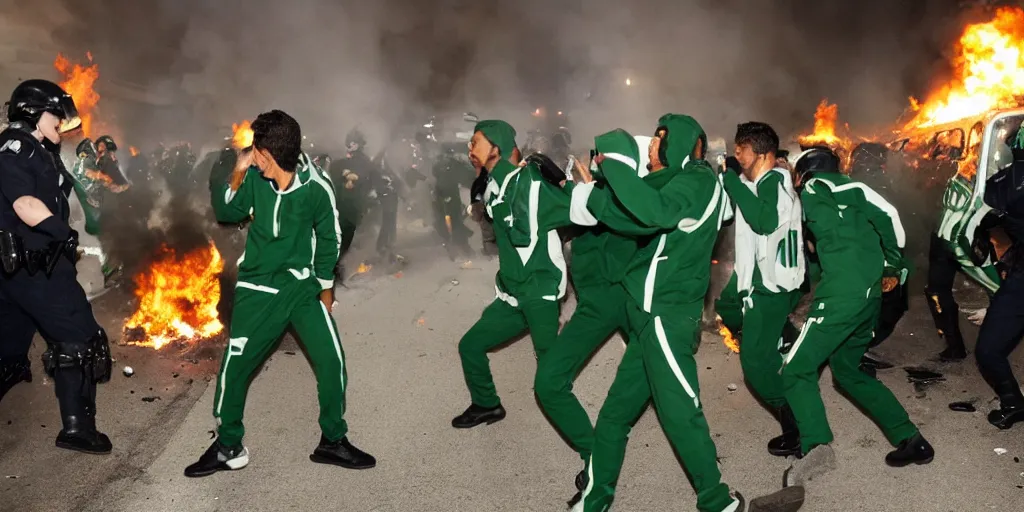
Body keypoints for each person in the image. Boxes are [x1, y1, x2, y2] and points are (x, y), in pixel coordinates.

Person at [567, 117, 802, 512]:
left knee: (680, 413)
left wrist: (611, 162)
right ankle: (593, 502)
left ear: (683, 143)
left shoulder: (698, 180)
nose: (652, 146)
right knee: (613, 417)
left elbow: (652, 211)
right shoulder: (680, 183)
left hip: (666, 316)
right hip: (647, 316)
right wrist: (592, 192)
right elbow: (631, 215)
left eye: (660, 138)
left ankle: (717, 502)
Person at [186, 110, 375, 477]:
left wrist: (325, 288)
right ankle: (228, 446)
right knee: (235, 368)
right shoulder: (254, 178)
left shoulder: (316, 187)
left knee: (331, 362)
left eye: (255, 149)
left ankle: (332, 441)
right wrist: (239, 168)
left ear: (268, 153)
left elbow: (330, 237)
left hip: (302, 289)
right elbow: (225, 210)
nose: (251, 153)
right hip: (258, 289)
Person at [782, 146, 933, 488]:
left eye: (797, 175)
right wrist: (890, 264)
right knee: (848, 371)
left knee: (795, 370)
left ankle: (816, 447)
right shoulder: (840, 201)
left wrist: (894, 262)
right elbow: (879, 222)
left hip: (843, 298)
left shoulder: (824, 187)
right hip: (867, 298)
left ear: (806, 172)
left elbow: (887, 213)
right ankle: (911, 440)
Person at [0, 79, 113, 453]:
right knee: (80, 340)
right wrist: (60, 231)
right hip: (39, 272)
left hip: (19, 273)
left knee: (9, 347)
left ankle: (14, 369)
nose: (61, 123)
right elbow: (24, 204)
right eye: (55, 115)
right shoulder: (17, 149)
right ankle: (78, 430)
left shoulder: (35, 148)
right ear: (33, 113)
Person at [533, 134, 648, 499]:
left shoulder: (635, 197)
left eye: (601, 157)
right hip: (593, 306)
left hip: (633, 302)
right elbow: (562, 213)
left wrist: (576, 187)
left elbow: (608, 210)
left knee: (665, 378)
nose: (595, 160)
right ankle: (595, 454)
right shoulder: (586, 193)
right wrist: (553, 181)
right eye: (596, 157)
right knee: (549, 382)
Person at [452, 120, 572, 430]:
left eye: (475, 142)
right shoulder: (492, 183)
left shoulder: (529, 183)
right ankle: (487, 404)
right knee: (470, 346)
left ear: (495, 149)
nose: (469, 148)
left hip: (540, 293)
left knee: (549, 378)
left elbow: (573, 208)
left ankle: (591, 450)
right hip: (512, 292)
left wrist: (573, 188)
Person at [718, 122, 806, 458]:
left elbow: (764, 221)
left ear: (764, 153)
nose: (736, 154)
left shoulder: (775, 182)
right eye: (736, 147)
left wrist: (730, 180)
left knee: (755, 366)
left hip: (769, 285)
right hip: (751, 275)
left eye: (743, 148)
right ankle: (780, 335)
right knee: (726, 306)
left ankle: (796, 425)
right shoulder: (759, 181)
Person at [975, 125, 1024, 429]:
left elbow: (983, 213)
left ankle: (1013, 402)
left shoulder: (1007, 179)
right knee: (991, 347)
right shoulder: (1008, 179)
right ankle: (1013, 402)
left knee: (989, 349)